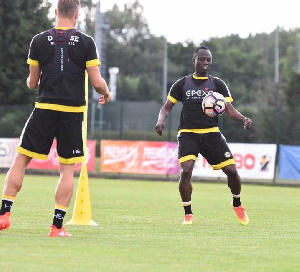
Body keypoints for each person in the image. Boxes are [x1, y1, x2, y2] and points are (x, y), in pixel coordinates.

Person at [0, 0, 111, 237]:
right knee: (67, 170)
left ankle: (4, 214)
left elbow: (32, 83)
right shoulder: (86, 42)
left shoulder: (38, 40)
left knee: (21, 160)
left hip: (45, 108)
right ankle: (56, 227)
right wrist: (106, 92)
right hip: (72, 113)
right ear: (77, 14)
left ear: (55, 11)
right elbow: (97, 82)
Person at [155, 45, 252, 225]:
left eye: (208, 59)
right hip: (188, 133)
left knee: (232, 171)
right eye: (202, 59)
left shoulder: (217, 84)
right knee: (186, 171)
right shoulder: (182, 83)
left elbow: (230, 111)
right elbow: (166, 107)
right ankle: (188, 214)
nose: (205, 62)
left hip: (211, 134)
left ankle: (237, 204)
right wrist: (161, 120)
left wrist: (243, 119)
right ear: (194, 61)